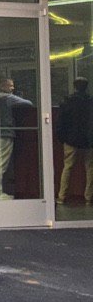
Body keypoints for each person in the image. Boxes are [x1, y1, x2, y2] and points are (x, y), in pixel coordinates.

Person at [0, 76, 34, 200]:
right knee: (0, 164)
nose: (13, 88)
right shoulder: (8, 98)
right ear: (2, 86)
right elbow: (28, 104)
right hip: (4, 133)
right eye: (10, 85)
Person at [56, 76, 93, 206]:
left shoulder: (67, 101)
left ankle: (62, 196)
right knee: (90, 168)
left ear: (74, 86)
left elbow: (61, 122)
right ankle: (89, 197)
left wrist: (61, 137)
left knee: (68, 167)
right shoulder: (90, 101)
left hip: (71, 139)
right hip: (89, 140)